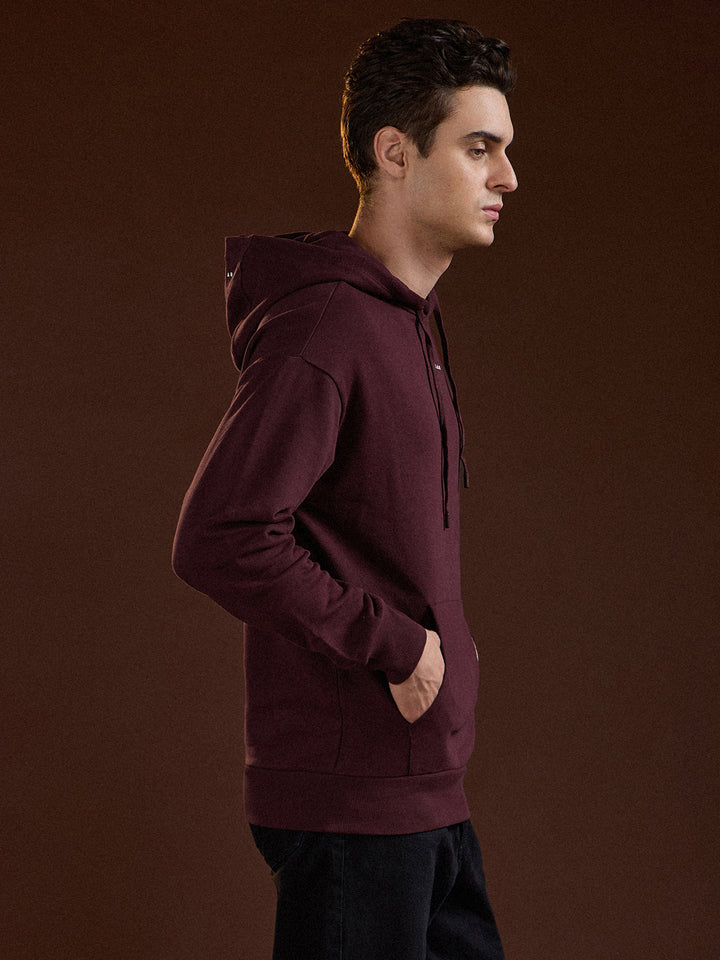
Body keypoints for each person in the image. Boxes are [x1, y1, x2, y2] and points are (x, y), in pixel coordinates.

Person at [172, 16, 518, 960]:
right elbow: (222, 534)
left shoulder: (410, 325)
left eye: (505, 149)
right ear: (395, 152)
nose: (507, 177)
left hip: (425, 795)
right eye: (479, 148)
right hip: (353, 812)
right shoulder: (328, 326)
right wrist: (400, 647)